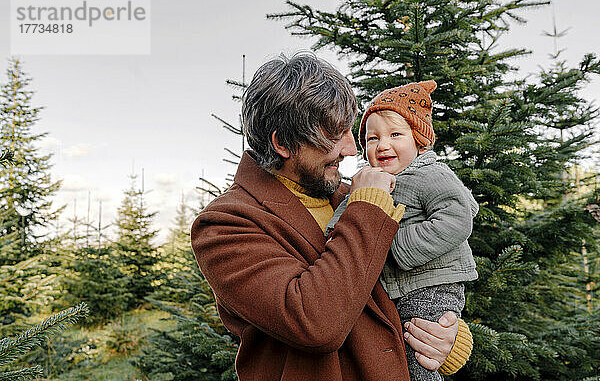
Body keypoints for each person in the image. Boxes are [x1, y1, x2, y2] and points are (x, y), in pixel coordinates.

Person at [191, 53, 473, 381]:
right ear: (283, 143)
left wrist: (446, 336)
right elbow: (316, 322)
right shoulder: (226, 225)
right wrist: (367, 208)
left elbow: (395, 286)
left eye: (352, 132)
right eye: (335, 135)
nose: (353, 149)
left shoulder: (346, 197)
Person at [326, 80, 478, 381]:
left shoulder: (429, 174)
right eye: (372, 139)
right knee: (403, 352)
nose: (383, 145)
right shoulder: (369, 179)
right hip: (402, 291)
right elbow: (351, 208)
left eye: (396, 135)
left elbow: (460, 215)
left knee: (418, 357)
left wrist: (397, 247)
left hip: (433, 285)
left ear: (419, 141)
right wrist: (332, 233)